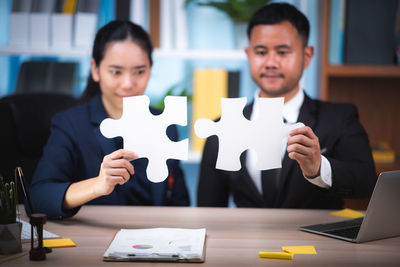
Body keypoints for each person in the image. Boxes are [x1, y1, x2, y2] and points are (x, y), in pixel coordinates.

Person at [197, 3, 377, 209]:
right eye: (261, 52)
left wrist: (319, 167)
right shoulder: (221, 128)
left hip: (316, 240)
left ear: (307, 56)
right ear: (248, 55)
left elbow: (366, 183)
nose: (271, 62)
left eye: (282, 52)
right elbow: (208, 210)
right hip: (247, 240)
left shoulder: (340, 118)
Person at [30, 21, 190, 219]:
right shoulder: (70, 124)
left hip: (154, 239)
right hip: (96, 240)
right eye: (116, 72)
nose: (128, 84)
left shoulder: (165, 124)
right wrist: (97, 185)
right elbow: (38, 198)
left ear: (150, 69)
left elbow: (180, 202)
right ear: (95, 70)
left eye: (139, 71)